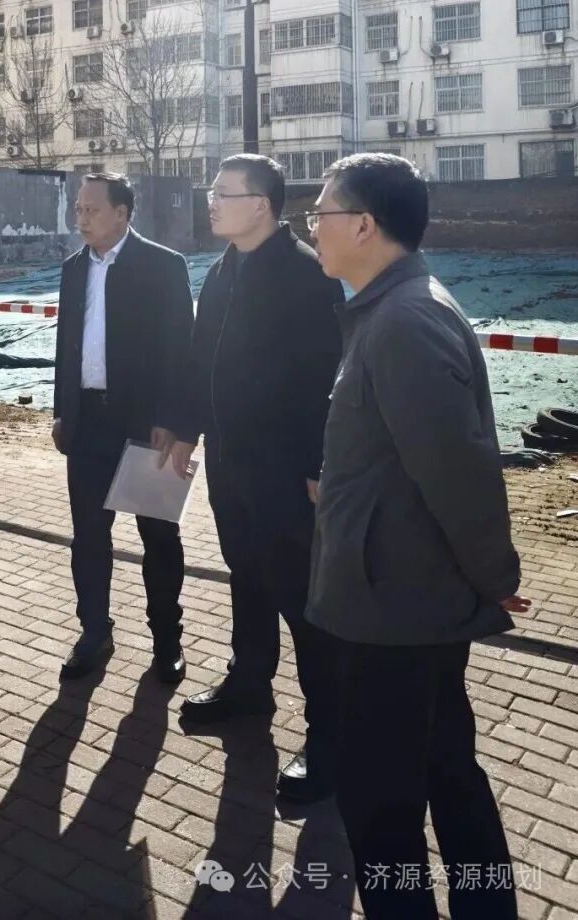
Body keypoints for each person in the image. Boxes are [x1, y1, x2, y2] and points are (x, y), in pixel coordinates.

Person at [306, 152, 529, 919]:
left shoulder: (404, 320)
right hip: (398, 591)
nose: (313, 228)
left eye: (321, 213)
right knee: (446, 771)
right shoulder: (389, 309)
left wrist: (495, 576)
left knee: (381, 805)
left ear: (364, 225)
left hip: (394, 608)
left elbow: (459, 471)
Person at [169, 154, 345, 806]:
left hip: (286, 470)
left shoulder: (305, 273)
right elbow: (201, 359)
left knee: (301, 599)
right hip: (231, 463)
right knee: (246, 577)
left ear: (262, 205)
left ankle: (331, 733)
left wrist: (317, 466)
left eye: (224, 193)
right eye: (212, 192)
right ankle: (249, 685)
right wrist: (185, 427)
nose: (211, 202)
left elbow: (326, 380)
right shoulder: (223, 269)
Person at [51, 173, 194, 682]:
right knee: (89, 538)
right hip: (88, 424)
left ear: (122, 213)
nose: (81, 218)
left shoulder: (162, 266)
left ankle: (167, 640)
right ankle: (94, 632)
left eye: (91, 209)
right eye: (78, 208)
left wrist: (173, 421)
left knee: (159, 537)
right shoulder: (73, 269)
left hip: (146, 427)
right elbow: (66, 346)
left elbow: (181, 350)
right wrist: (62, 411)